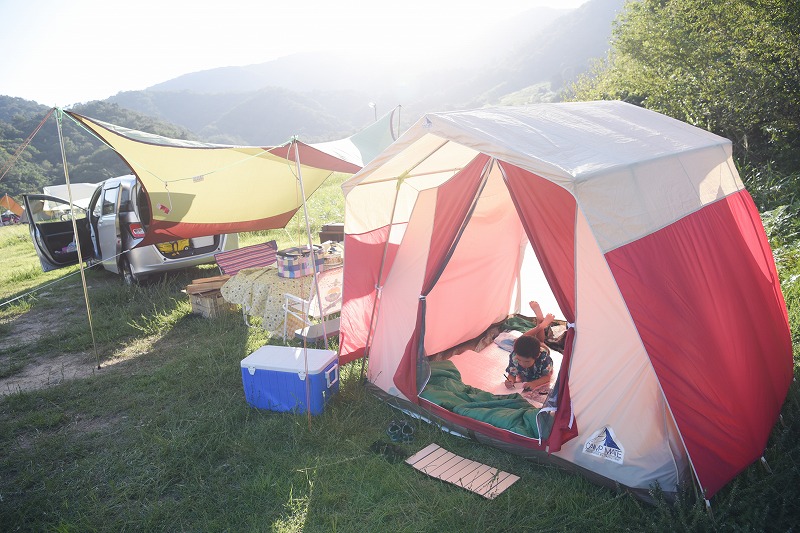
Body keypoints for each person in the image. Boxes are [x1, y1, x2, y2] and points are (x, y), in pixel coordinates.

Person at [504, 301, 554, 391]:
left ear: (536, 356)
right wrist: (510, 381)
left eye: (527, 361)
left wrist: (534, 383)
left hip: (542, 348)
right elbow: (512, 374)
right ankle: (541, 324)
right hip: (529, 347)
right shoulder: (515, 356)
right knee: (518, 341)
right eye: (519, 360)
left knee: (541, 342)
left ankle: (540, 324)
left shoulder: (543, 358)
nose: (522, 364)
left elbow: (547, 377)